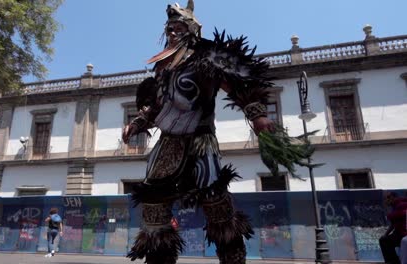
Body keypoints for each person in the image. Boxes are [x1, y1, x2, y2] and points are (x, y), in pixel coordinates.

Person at [123, 1, 312, 263]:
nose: (172, 33)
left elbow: (240, 81)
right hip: (168, 144)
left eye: (177, 28)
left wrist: (257, 116)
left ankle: (232, 257)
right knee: (153, 205)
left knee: (216, 206)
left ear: (190, 29)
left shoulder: (207, 56)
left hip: (200, 141)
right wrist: (137, 123)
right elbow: (157, 105)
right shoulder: (163, 67)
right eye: (169, 29)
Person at [379, 192, 407, 264]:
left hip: (403, 233)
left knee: (384, 241)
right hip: (399, 232)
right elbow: (393, 224)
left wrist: (390, 215)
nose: (386, 200)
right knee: (384, 239)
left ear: (394, 197)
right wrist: (386, 234)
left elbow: (397, 217)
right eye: (385, 198)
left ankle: (392, 261)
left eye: (388, 198)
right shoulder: (396, 206)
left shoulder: (401, 205)